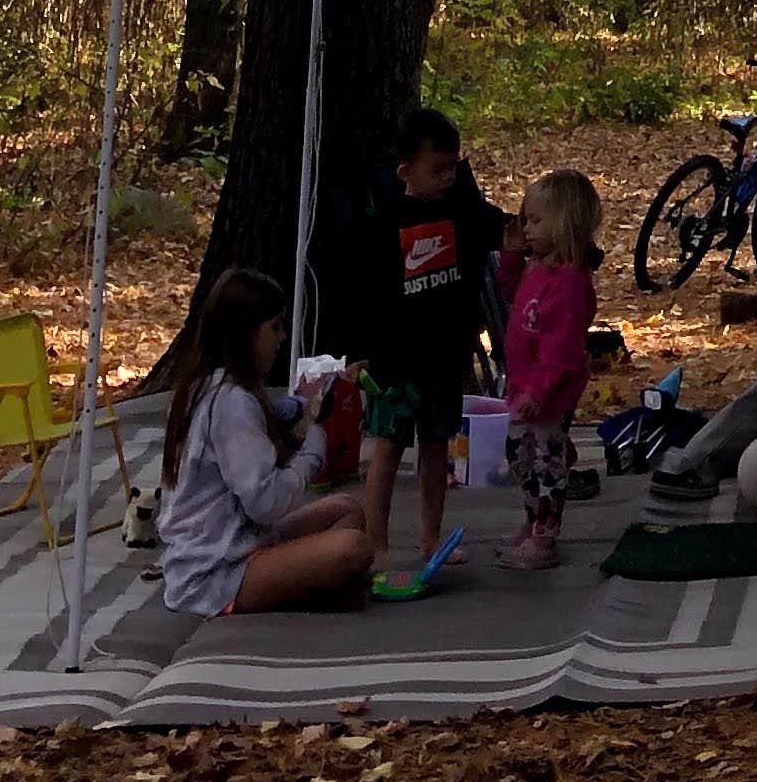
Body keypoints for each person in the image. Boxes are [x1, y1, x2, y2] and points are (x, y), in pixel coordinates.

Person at [341, 104, 509, 573]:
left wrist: (551, 233)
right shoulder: (385, 223)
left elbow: (508, 232)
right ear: (404, 172)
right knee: (388, 450)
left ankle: (431, 539)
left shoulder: (467, 212)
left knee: (437, 450)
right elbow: (363, 294)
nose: (448, 177)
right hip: (394, 361)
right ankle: (374, 546)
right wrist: (360, 354)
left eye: (454, 167)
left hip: (444, 359)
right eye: (437, 170)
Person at [155, 265, 370, 616]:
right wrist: (314, 449)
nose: (281, 337)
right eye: (274, 327)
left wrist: (298, 409)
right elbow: (266, 502)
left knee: (346, 509)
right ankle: (302, 587)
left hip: (243, 539)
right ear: (246, 334)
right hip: (215, 571)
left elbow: (273, 420)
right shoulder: (230, 402)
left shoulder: (217, 386)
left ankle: (310, 584)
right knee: (354, 547)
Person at [498, 168, 603, 569]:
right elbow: (517, 298)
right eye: (526, 219)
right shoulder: (537, 268)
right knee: (519, 456)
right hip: (522, 384)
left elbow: (561, 349)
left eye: (536, 221)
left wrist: (539, 392)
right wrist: (510, 259)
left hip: (547, 393)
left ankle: (546, 534)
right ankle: (532, 521)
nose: (527, 228)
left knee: (546, 462)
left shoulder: (571, 283)